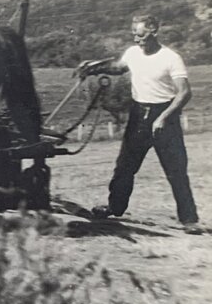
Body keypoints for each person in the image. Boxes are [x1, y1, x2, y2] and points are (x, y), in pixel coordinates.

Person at [77, 14, 201, 234]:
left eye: (141, 34)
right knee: (125, 167)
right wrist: (93, 67)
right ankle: (115, 207)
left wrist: (163, 117)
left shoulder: (171, 58)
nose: (136, 39)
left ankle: (189, 220)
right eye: (134, 34)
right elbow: (118, 66)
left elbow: (184, 93)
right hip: (138, 116)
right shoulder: (133, 53)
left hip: (165, 117)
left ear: (154, 31)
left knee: (176, 171)